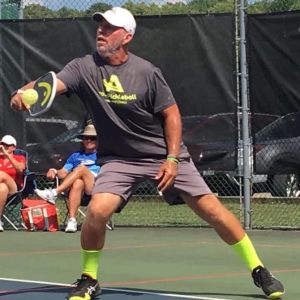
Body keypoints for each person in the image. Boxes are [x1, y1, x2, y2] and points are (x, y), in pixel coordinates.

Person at [10, 7, 284, 300]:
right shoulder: (82, 67)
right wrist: (24, 94)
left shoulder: (147, 72)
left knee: (213, 211)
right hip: (118, 159)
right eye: (99, 25)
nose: (101, 31)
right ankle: (89, 278)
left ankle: (259, 270)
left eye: (109, 27)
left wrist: (171, 159)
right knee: (98, 211)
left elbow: (172, 115)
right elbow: (49, 85)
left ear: (127, 36)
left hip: (162, 154)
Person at [35, 124, 100, 233]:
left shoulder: (102, 155)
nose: (89, 140)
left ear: (98, 140)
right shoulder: (75, 156)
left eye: (92, 138)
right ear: (82, 140)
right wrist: (54, 171)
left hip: (95, 188)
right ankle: (72, 220)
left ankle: (54, 193)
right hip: (76, 191)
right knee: (78, 182)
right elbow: (63, 173)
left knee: (81, 169)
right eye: (86, 138)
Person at [0, 135, 26, 232]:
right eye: (2, 144)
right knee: (2, 188)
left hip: (14, 189)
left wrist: (8, 155)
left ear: (13, 147)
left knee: (1, 174)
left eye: (7, 145)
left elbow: (20, 170)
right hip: (3, 189)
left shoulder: (19, 157)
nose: (4, 147)